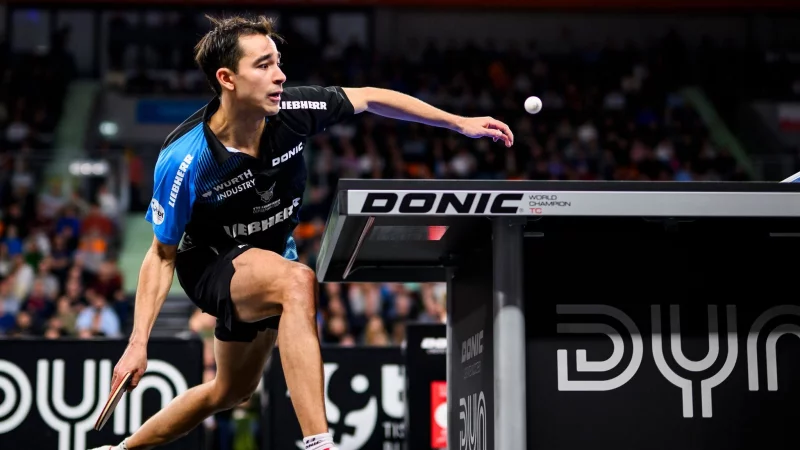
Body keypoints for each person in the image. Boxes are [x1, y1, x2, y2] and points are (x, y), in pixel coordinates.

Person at [91, 14, 513, 450]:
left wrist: (457, 122)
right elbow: (162, 254)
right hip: (211, 264)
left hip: (270, 255)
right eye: (263, 65)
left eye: (278, 62)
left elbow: (369, 98)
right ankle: (318, 443)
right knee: (297, 281)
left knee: (230, 391)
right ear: (227, 78)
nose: (280, 74)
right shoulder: (186, 159)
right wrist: (138, 342)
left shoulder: (293, 110)